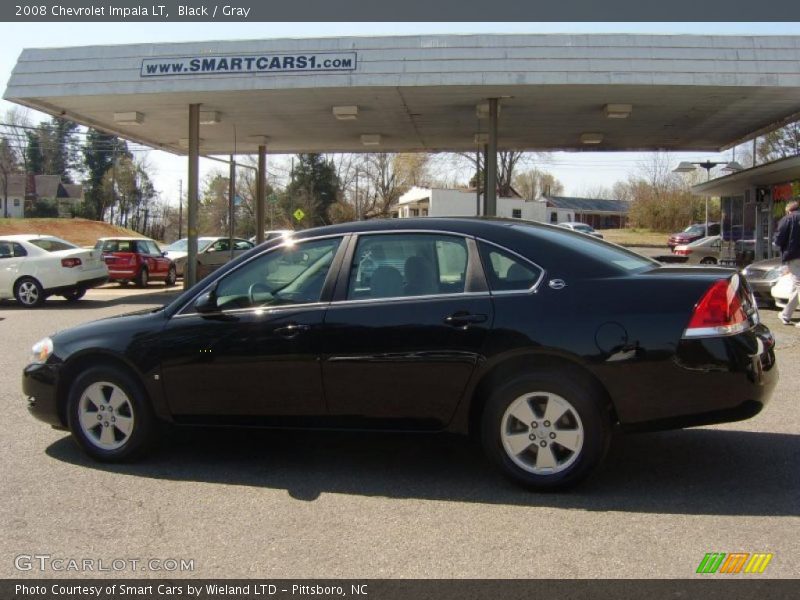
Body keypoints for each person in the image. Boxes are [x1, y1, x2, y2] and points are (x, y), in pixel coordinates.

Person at [774, 200, 800, 326]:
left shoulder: (787, 219)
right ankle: (786, 315)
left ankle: (786, 315)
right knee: (796, 286)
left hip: (794, 256)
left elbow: (778, 239)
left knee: (798, 285)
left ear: (788, 210)